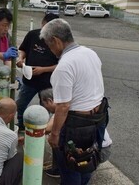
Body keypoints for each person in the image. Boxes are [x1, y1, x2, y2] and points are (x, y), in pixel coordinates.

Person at [40, 18, 109, 185]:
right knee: (88, 161)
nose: (51, 50)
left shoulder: (64, 66)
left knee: (70, 168)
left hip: (76, 126)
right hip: (99, 117)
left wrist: (54, 134)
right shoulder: (90, 53)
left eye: (50, 46)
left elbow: (63, 106)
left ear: (56, 40)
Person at [40, 88, 112, 178]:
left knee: (56, 141)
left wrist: (31, 135)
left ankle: (65, 171)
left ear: (49, 101)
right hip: (102, 147)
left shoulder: (63, 111)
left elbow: (47, 130)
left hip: (97, 152)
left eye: (46, 106)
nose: (48, 110)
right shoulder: (78, 106)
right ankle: (77, 172)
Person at [16, 13, 59, 130]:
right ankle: (21, 125)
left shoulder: (58, 41)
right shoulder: (33, 35)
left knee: (45, 109)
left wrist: (43, 70)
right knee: (20, 104)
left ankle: (40, 130)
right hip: (29, 79)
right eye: (44, 28)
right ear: (42, 24)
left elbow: (61, 65)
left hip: (47, 83)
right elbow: (23, 50)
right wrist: (21, 59)